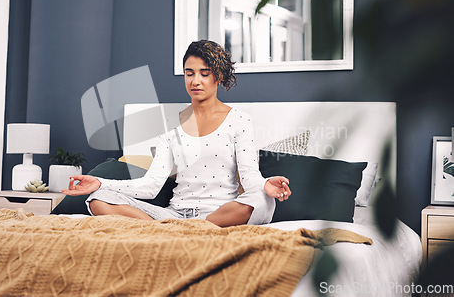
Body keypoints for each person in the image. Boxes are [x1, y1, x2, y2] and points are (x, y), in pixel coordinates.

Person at [62, 40, 291, 227]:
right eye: (189, 73)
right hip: (173, 216)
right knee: (98, 200)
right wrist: (100, 183)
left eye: (204, 73)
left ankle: (189, 230)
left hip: (219, 215)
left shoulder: (240, 121)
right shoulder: (172, 126)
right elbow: (150, 186)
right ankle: (169, 230)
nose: (195, 81)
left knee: (263, 201)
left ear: (218, 77)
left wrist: (265, 186)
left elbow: (250, 178)